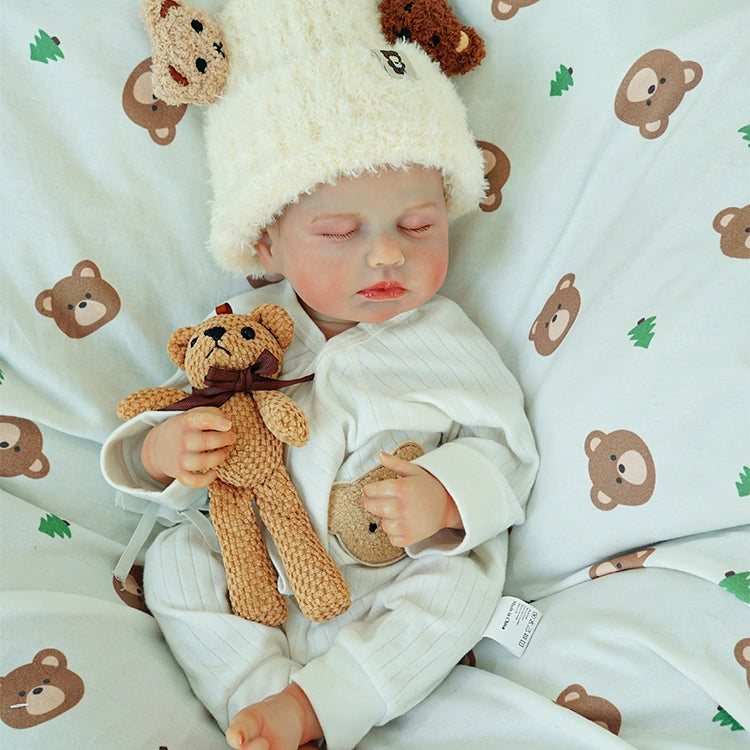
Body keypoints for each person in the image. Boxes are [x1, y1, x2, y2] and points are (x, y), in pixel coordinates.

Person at [101, 2, 538, 749]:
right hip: (256, 569)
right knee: (177, 562)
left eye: (419, 225)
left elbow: (507, 448)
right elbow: (175, 410)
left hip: (387, 578)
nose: (387, 255)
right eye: (340, 232)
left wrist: (446, 496)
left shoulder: (446, 339)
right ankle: (255, 697)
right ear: (267, 242)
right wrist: (159, 452)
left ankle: (327, 704)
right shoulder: (237, 327)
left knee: (465, 585)